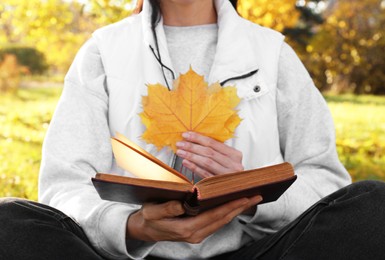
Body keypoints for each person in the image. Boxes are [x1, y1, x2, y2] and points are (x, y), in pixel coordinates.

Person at [0, 0, 384, 259]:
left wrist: (255, 190)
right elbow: (64, 186)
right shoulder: (103, 50)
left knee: (373, 206)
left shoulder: (272, 52)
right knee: (10, 221)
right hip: (126, 256)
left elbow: (327, 182)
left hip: (255, 252)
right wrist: (133, 227)